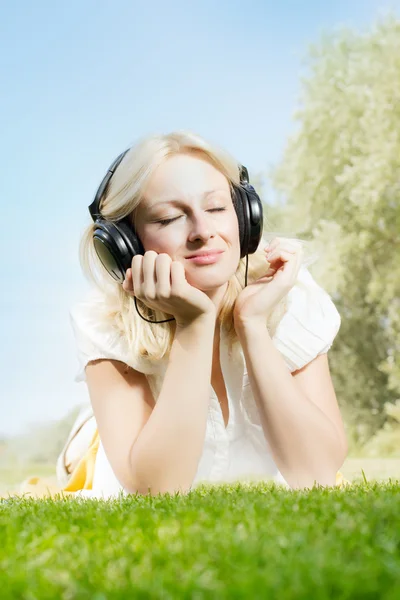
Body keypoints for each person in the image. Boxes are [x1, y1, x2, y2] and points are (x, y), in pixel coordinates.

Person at [3, 130, 350, 501]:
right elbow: (157, 490)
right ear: (124, 244)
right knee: (89, 448)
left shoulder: (289, 295)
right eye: (169, 219)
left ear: (246, 216)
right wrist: (193, 326)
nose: (203, 232)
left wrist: (252, 326)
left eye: (217, 209)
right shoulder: (102, 319)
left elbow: (317, 473)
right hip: (107, 449)